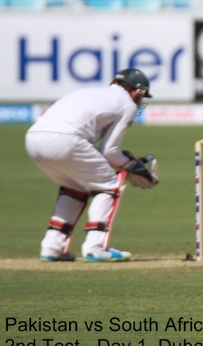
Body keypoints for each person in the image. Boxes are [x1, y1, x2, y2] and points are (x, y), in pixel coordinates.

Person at [25, 69, 159, 263]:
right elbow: (110, 153)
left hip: (34, 139)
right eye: (142, 95)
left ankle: (52, 247)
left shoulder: (93, 92)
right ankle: (95, 248)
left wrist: (127, 163)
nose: (140, 101)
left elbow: (102, 152)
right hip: (65, 141)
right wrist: (133, 166)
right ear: (136, 91)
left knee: (76, 188)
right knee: (109, 185)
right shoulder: (127, 104)